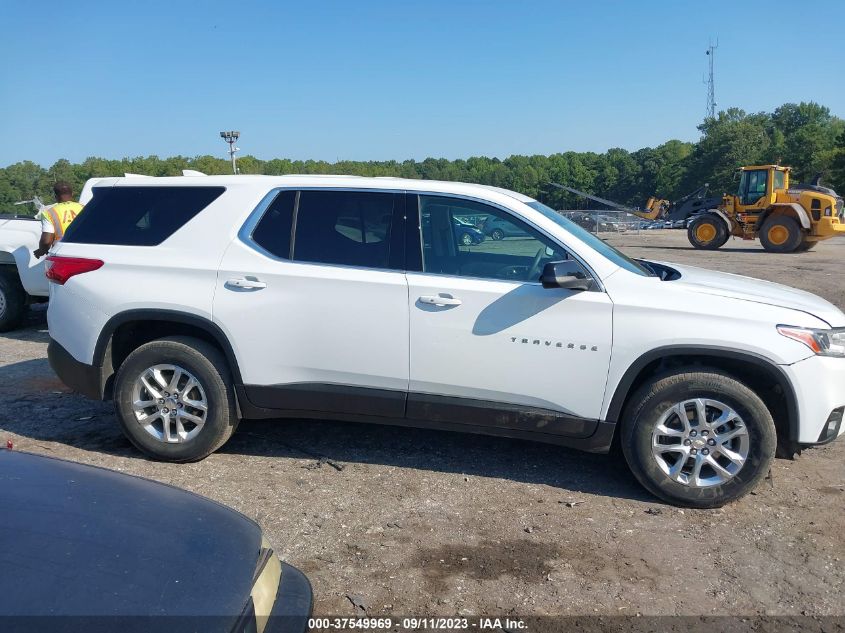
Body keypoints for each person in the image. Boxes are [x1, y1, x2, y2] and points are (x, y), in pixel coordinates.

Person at [33, 182, 83, 258]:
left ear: (55, 197)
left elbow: (46, 242)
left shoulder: (49, 213)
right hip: (84, 253)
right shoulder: (84, 208)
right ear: (72, 194)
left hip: (62, 254)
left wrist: (41, 251)